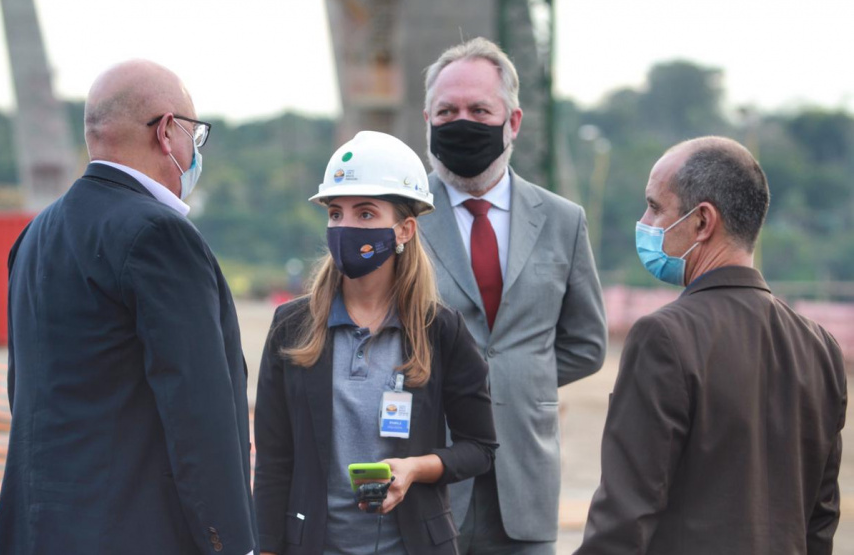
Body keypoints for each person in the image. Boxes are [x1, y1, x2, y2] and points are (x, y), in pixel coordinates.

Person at [0, 60, 258, 555]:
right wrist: (230, 542)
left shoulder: (35, 235)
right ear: (167, 131)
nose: (194, 150)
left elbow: (24, 394)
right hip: (133, 533)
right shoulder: (159, 234)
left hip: (34, 532)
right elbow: (199, 413)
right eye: (194, 134)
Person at [575, 136, 847, 554]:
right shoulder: (821, 348)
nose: (645, 221)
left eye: (654, 206)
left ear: (702, 222)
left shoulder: (664, 336)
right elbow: (820, 519)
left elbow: (625, 517)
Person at [254, 130, 498, 555]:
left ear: (404, 230)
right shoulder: (290, 327)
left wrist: (416, 469)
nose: (345, 227)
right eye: (335, 213)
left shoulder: (441, 330)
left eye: (365, 214)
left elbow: (480, 448)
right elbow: (275, 462)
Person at [418, 38, 607, 554]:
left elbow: (586, 345)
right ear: (428, 120)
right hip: (427, 481)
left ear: (514, 121)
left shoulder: (563, 221)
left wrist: (511, 381)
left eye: (480, 110)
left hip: (524, 483)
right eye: (447, 111)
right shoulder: (402, 217)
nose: (463, 122)